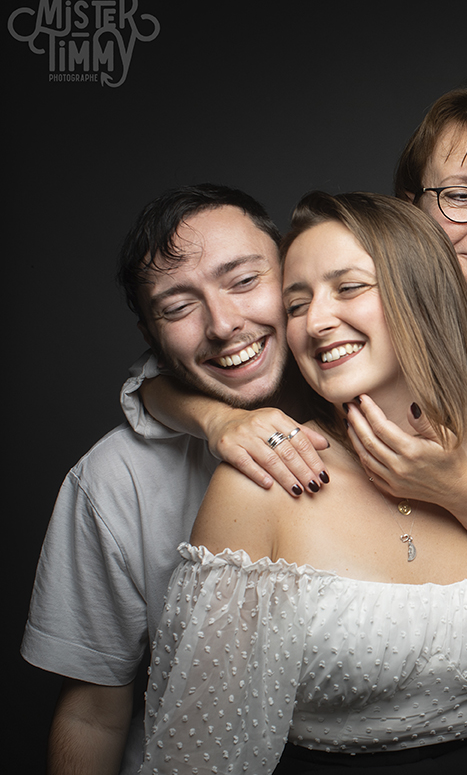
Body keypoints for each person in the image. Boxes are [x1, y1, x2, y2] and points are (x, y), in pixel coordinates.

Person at [135, 85, 467, 734]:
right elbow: (196, 361)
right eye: (458, 195)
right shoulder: (336, 345)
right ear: (408, 217)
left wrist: (454, 487)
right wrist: (220, 419)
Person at [141, 191, 467, 774]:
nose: (316, 322)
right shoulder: (259, 484)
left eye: (349, 288)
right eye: (296, 304)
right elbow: (197, 756)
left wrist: (451, 485)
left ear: (420, 293)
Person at [21, 184, 323, 775]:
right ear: (149, 334)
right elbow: (92, 713)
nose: (223, 324)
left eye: (243, 281)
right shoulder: (111, 479)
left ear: (291, 271)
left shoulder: (381, 422)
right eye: (178, 307)